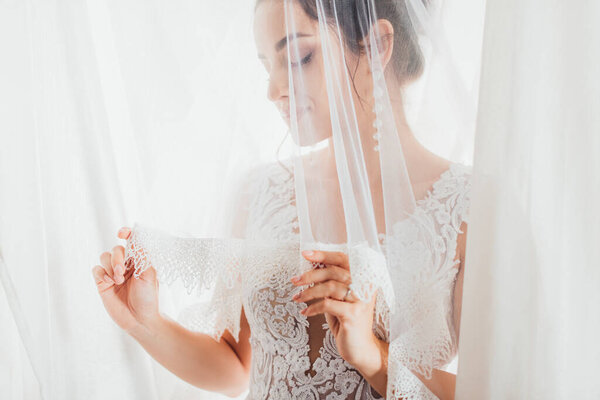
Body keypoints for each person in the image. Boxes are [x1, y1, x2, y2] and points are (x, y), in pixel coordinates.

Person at [91, 1, 473, 398]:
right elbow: (237, 369)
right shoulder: (260, 192)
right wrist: (144, 323)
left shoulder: (466, 206)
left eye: (298, 57)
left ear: (377, 45)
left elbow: (494, 388)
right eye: (266, 66)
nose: (273, 91)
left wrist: (375, 359)